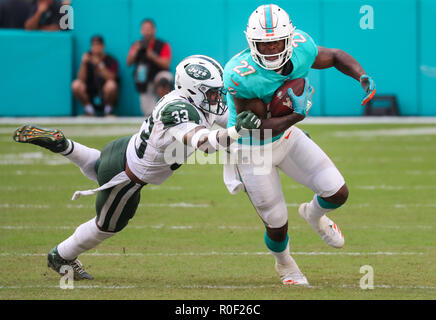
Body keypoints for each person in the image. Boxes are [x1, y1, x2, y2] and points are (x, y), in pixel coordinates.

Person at [12, 55, 261, 280]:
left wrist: (258, 124)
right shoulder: (179, 111)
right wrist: (237, 130)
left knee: (99, 165)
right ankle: (61, 255)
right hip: (127, 177)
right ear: (194, 90)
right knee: (108, 226)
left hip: (119, 151)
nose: (217, 97)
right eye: (212, 92)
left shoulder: (188, 100)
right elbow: (204, 145)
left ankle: (63, 145)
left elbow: (227, 116)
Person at [222, 4, 376, 286]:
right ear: (251, 43)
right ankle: (286, 266)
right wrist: (297, 114)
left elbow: (336, 56)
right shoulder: (240, 74)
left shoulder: (303, 47)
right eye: (263, 45)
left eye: (276, 43)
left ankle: (314, 214)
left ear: (289, 39)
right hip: (251, 147)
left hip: (286, 137)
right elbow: (256, 127)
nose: (270, 50)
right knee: (277, 222)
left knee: (337, 191)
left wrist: (360, 75)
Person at [127, 19, 172, 117]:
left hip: (159, 75)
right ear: (141, 31)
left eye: (149, 29)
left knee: (164, 81)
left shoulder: (163, 45)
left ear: (154, 30)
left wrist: (152, 56)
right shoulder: (137, 44)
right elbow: (128, 63)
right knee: (149, 114)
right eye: (145, 29)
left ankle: (166, 110)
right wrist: (136, 51)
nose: (147, 32)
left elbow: (166, 64)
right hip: (144, 79)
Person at [72, 35, 119, 117]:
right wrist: (83, 63)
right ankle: (89, 111)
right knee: (76, 84)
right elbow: (80, 79)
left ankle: (108, 112)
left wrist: (99, 65)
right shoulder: (87, 59)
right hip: (90, 92)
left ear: (103, 46)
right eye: (94, 45)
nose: (96, 47)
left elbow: (112, 78)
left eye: (98, 45)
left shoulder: (111, 60)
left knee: (111, 85)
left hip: (104, 94)